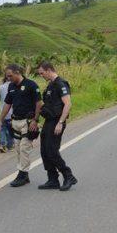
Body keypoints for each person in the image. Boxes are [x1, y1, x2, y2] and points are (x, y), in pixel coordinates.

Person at [36, 61, 78, 191]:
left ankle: (68, 175)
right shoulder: (50, 85)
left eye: (42, 73)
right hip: (48, 122)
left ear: (49, 70)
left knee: (52, 151)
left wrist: (60, 122)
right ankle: (53, 179)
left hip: (57, 121)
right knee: (44, 151)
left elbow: (68, 104)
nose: (41, 76)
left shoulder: (61, 84)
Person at [0, 64, 42, 187]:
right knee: (18, 148)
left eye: (10, 76)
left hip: (27, 122)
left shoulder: (31, 85)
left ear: (18, 73)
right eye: (7, 76)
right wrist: (0, 119)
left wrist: (35, 120)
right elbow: (7, 104)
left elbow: (39, 103)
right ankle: (24, 175)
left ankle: (22, 173)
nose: (8, 78)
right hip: (15, 122)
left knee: (24, 148)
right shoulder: (11, 87)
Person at [0, 74, 14, 153]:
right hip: (12, 112)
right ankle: (10, 145)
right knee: (10, 129)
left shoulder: (0, 87)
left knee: (2, 129)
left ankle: (2, 144)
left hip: (2, 112)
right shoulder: (14, 86)